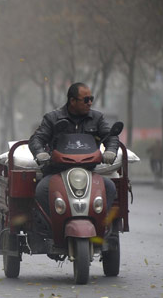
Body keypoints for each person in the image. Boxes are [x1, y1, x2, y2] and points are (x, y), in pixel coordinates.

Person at [29, 82, 119, 218]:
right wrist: (40, 153)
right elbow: (37, 138)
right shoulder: (52, 118)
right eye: (86, 100)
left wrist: (111, 151)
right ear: (72, 100)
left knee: (109, 187)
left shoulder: (97, 118)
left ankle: (101, 226)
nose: (90, 103)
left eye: (91, 99)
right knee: (42, 190)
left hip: (88, 172)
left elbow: (111, 136)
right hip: (57, 172)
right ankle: (51, 229)